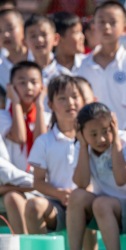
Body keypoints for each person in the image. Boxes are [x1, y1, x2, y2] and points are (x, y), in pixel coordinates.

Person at [67, 102, 126, 250]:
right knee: (77, 196)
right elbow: (82, 183)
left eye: (105, 131)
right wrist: (84, 146)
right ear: (81, 132)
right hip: (102, 213)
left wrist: (116, 138)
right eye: (93, 134)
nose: (101, 139)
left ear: (113, 125)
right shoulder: (80, 146)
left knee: (101, 203)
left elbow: (120, 180)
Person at [24, 76, 84, 236]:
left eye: (75, 97)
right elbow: (38, 181)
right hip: (56, 204)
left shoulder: (92, 137)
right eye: (62, 98)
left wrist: (80, 196)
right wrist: (60, 194)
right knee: (33, 206)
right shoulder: (44, 141)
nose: (70, 103)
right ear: (50, 105)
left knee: (82, 204)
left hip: (87, 203)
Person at [75, 1, 126, 128]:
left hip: (124, 138)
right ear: (94, 27)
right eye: (101, 21)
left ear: (125, 28)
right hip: (90, 138)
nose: (106, 26)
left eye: (113, 22)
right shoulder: (82, 65)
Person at [0, 124, 35, 235]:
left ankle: (23, 245)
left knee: (12, 198)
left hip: (19, 208)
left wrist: (0, 189)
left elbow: (35, 184)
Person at [23, 15, 71, 86]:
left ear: (56, 39)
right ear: (24, 42)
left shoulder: (64, 75)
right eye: (33, 36)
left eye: (44, 34)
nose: (39, 39)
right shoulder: (21, 75)